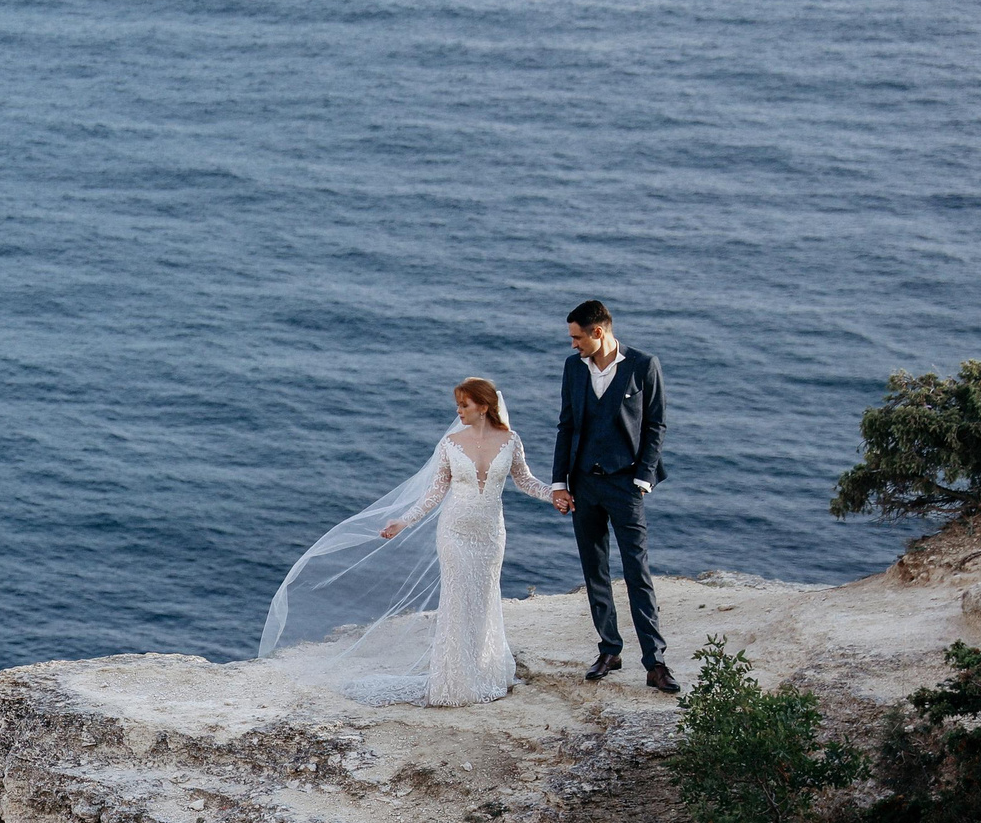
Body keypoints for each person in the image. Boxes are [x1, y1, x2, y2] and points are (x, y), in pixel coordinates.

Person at [257, 377, 559, 707]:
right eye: (457, 405)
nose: (458, 411)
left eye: (464, 405)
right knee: (457, 602)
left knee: (485, 599)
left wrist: (555, 495)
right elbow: (435, 493)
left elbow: (526, 481)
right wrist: (404, 521)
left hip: (490, 535)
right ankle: (454, 683)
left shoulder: (510, 441)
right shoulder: (451, 445)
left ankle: (484, 670)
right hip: (455, 533)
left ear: (484, 407)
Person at [551, 299, 677, 693]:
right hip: (584, 485)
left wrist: (643, 478)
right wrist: (559, 483)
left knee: (637, 573)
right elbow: (567, 426)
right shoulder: (574, 368)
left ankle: (655, 663)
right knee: (595, 570)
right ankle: (610, 649)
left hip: (626, 485)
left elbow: (656, 425)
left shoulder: (643, 365)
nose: (572, 345)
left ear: (598, 332)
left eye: (576, 337)